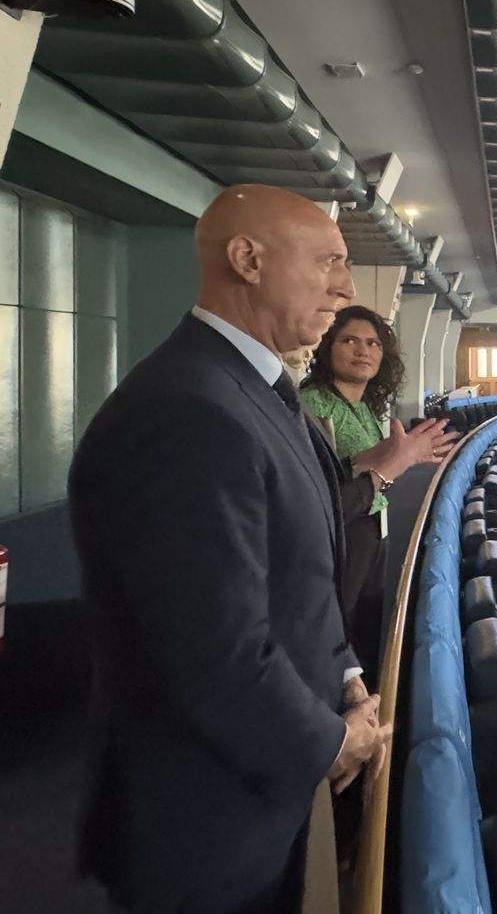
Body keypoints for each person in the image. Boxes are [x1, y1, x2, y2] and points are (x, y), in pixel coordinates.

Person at [69, 185, 392, 912]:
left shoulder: (262, 393)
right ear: (247, 259)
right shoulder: (187, 409)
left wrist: (344, 675)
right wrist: (330, 743)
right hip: (202, 822)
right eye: (329, 262)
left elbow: (300, 575)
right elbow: (212, 650)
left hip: (256, 790)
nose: (345, 288)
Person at [300, 304, 457, 681]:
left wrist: (400, 458)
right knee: (342, 630)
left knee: (369, 625)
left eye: (372, 343)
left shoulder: (366, 406)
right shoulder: (313, 404)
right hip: (341, 533)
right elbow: (318, 485)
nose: (362, 351)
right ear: (326, 347)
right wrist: (381, 461)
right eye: (349, 340)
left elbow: (364, 463)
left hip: (374, 525)